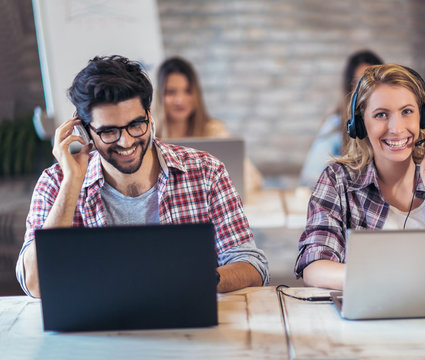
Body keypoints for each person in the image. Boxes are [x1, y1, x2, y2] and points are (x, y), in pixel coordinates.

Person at [16, 55, 268, 298]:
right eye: (109, 131)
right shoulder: (55, 183)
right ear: (84, 131)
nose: (126, 141)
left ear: (150, 115)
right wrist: (72, 182)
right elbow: (36, 284)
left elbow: (252, 265)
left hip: (185, 328)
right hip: (95, 336)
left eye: (136, 125)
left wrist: (196, 279)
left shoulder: (206, 171)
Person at [295, 64, 425, 290]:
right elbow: (315, 267)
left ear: (424, 118)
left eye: (407, 112)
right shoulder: (338, 180)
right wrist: (392, 281)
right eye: (381, 115)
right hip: (371, 317)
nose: (397, 128)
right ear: (361, 125)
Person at [155, 56, 263, 194]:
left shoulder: (214, 131)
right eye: (171, 92)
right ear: (159, 96)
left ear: (196, 95)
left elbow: (252, 178)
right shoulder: (149, 135)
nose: (180, 100)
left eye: (188, 91)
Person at [299, 50, 384, 189]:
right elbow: (310, 178)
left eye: (372, 82)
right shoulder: (336, 124)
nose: (367, 90)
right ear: (350, 89)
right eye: (359, 83)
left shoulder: (395, 126)